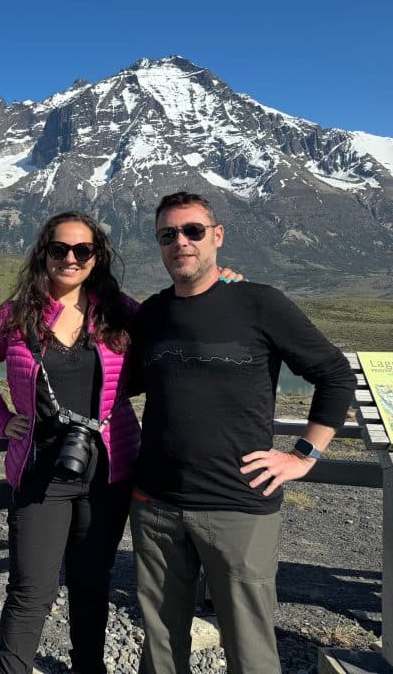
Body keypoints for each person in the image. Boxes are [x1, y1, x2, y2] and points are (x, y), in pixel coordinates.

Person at [128, 191, 355, 674]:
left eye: (192, 231)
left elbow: (335, 373)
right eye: (168, 234)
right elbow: (117, 382)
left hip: (239, 505)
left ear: (217, 236)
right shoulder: (150, 315)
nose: (181, 242)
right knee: (161, 645)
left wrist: (303, 455)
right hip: (155, 504)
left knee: (249, 650)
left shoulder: (258, 303)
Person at [0, 210, 141, 674]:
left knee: (91, 583)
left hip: (107, 470)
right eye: (59, 248)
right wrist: (1, 420)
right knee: (31, 589)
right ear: (44, 253)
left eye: (83, 250)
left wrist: (224, 289)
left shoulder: (120, 311)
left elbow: (180, 327)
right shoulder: (18, 313)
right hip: (40, 469)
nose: (70, 258)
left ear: (97, 257)